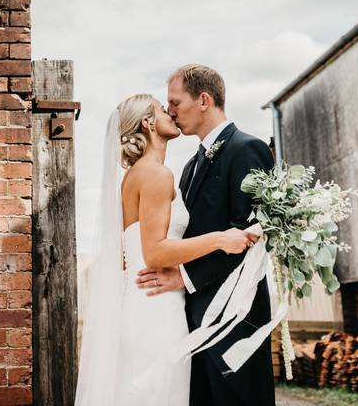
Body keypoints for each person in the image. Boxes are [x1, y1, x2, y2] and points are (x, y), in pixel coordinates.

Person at [75, 91, 257, 406]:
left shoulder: (135, 176)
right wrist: (220, 238)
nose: (171, 112)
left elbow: (128, 253)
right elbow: (155, 253)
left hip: (141, 302)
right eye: (162, 109)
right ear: (148, 123)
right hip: (156, 310)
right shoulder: (156, 174)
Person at [137, 64, 277, 406]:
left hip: (234, 319)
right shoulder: (188, 167)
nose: (169, 111)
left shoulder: (247, 149)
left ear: (203, 99)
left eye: (175, 102)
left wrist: (183, 278)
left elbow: (250, 237)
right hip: (190, 321)